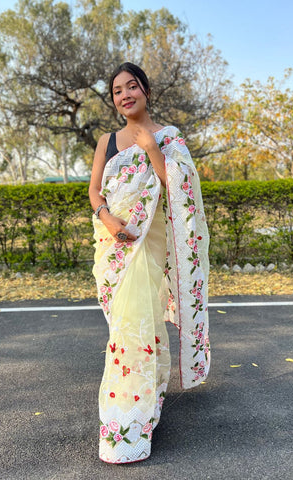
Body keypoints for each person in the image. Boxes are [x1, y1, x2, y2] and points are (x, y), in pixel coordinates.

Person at [89, 62, 210, 464]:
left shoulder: (169, 138)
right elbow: (94, 193)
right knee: (128, 323)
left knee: (131, 326)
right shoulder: (106, 141)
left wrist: (152, 149)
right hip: (112, 245)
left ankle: (127, 422)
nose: (125, 95)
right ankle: (153, 386)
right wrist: (108, 219)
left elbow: (180, 189)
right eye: (117, 91)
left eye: (132, 86)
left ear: (146, 91)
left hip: (147, 243)